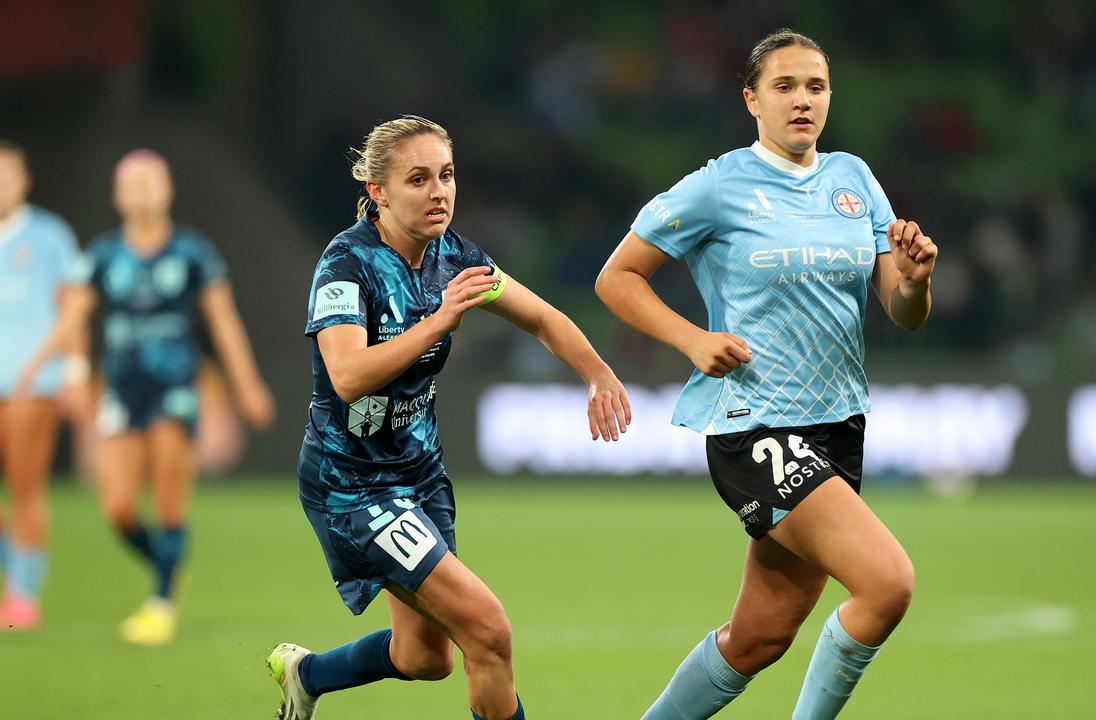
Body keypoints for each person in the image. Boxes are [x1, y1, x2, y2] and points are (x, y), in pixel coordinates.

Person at [596, 29, 939, 719]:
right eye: (784, 86)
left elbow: (902, 313)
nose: (803, 100)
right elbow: (618, 277)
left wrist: (917, 280)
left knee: (758, 639)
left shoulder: (854, 180)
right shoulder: (719, 186)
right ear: (752, 99)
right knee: (887, 584)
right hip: (755, 426)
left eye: (815, 86)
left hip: (837, 428)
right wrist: (692, 340)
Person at [267, 116, 630, 720]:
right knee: (489, 632)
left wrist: (598, 374)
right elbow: (348, 376)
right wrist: (438, 321)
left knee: (424, 656)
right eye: (419, 179)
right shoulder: (346, 265)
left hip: (419, 476)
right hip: (352, 486)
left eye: (447, 175)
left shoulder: (454, 256)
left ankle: (306, 674)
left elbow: (542, 318)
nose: (439, 192)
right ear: (379, 192)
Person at [18, 149, 276, 645]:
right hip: (121, 391)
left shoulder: (193, 253)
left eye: (149, 183)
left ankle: (161, 602)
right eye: (131, 184)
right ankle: (167, 565)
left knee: (169, 502)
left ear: (167, 191)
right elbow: (73, 318)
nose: (140, 192)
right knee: (116, 505)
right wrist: (39, 363)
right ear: (117, 196)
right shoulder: (102, 256)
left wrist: (247, 386)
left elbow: (223, 322)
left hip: (175, 390)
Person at [0, 140, 85, 631]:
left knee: (24, 485)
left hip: (32, 382)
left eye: (10, 174)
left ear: (25, 180)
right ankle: (17, 570)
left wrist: (73, 373)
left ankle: (23, 593)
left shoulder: (49, 235)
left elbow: (72, 306)